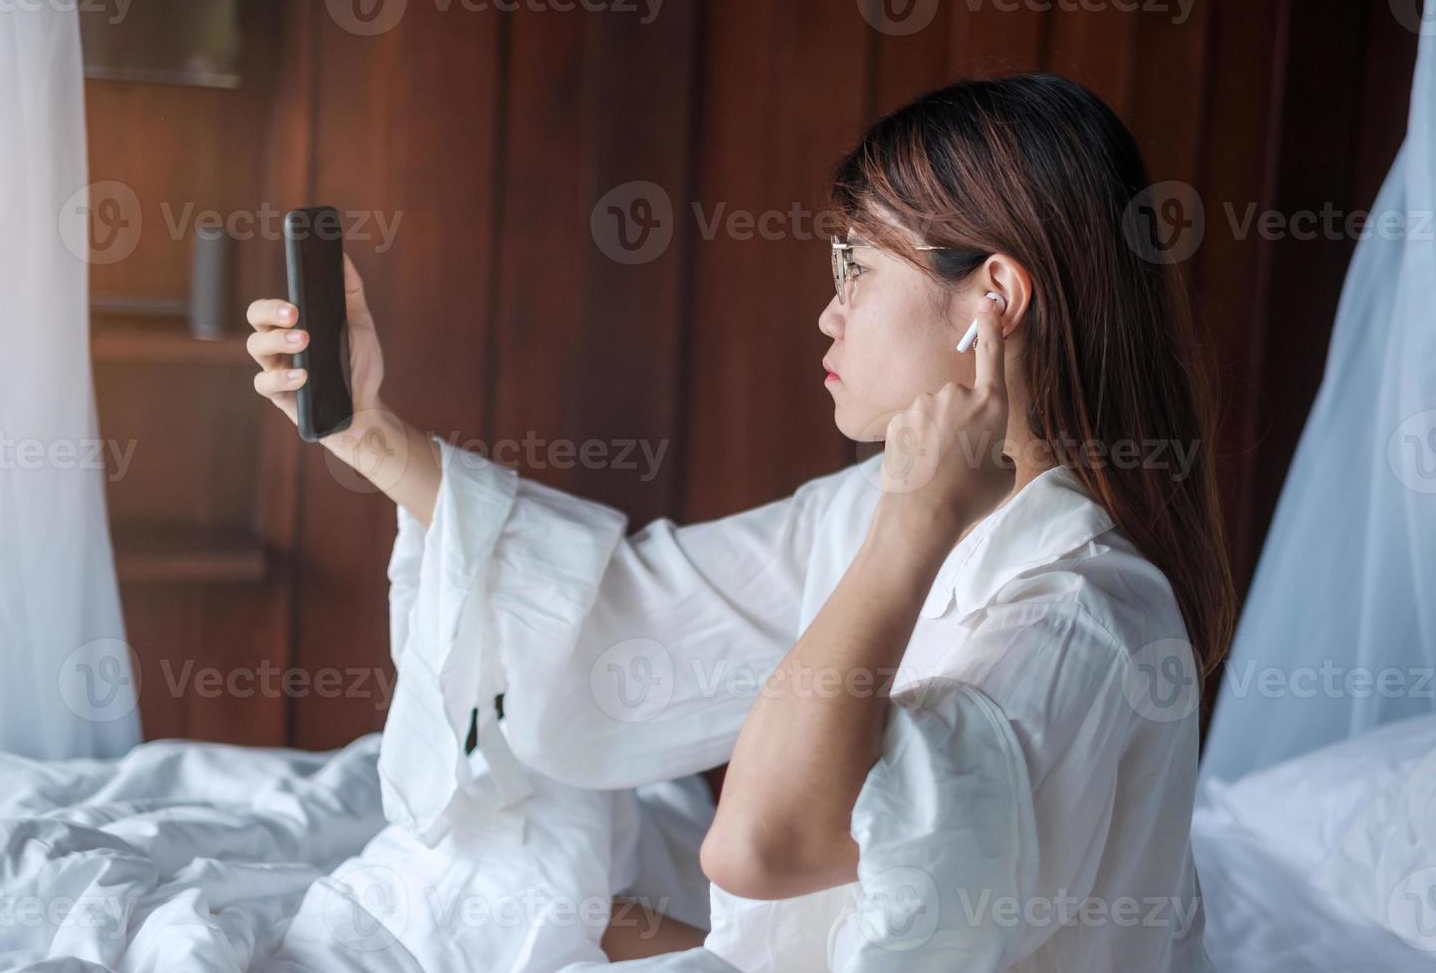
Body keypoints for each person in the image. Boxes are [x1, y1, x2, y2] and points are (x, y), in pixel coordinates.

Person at [246, 73, 1232, 971]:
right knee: (498, 882)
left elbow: (759, 842)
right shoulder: (874, 503)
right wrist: (370, 432)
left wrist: (911, 531)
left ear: (995, 298)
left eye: (857, 268)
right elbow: (624, 625)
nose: (829, 314)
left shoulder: (1081, 618)